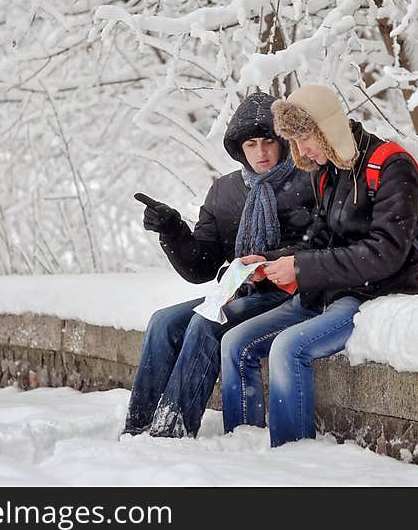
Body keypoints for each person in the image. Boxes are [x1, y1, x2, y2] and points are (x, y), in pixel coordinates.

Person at [220, 84, 418, 447]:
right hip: (326, 290)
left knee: (287, 348)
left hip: (374, 294)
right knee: (235, 342)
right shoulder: (327, 171)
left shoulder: (392, 166)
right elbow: (318, 240)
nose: (300, 151)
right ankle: (244, 451)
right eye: (295, 141)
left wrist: (301, 270)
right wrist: (268, 260)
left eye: (304, 137)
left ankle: (292, 458)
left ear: (327, 128)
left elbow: (385, 254)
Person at [122, 92, 313, 439]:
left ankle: (172, 430)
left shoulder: (308, 180)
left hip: (287, 294)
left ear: (283, 141)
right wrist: (172, 229)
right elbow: (201, 267)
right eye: (252, 144)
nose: (261, 153)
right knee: (163, 322)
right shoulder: (225, 191)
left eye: (269, 141)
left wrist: (266, 262)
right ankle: (138, 428)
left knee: (205, 322)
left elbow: (317, 245)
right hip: (241, 292)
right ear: (239, 148)